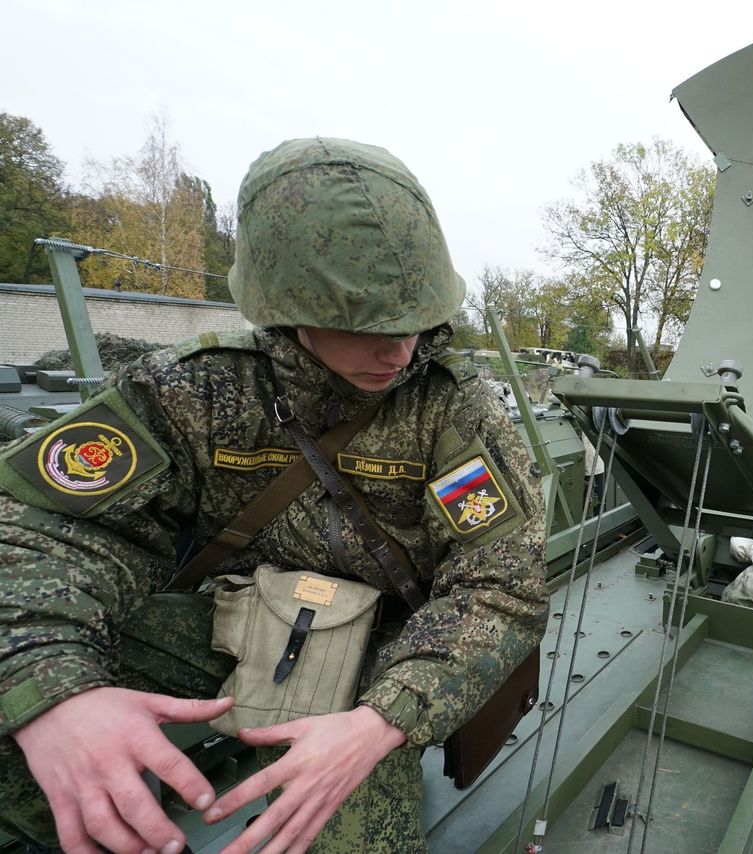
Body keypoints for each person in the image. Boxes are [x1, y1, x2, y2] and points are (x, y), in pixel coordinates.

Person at [0, 137, 548, 853]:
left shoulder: (452, 412)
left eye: (414, 320)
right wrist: (56, 692)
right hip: (228, 625)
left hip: (385, 663)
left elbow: (500, 585)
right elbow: (45, 530)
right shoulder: (195, 388)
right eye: (366, 327)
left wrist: (383, 721)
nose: (401, 351)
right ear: (283, 309)